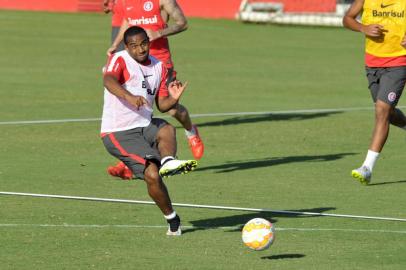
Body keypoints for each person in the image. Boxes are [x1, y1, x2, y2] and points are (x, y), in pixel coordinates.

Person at [101, 26, 197, 235]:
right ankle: (172, 219)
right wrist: (129, 97)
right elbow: (108, 80)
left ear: (149, 42)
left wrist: (174, 97)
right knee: (152, 175)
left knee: (166, 128)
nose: (140, 49)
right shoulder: (120, 59)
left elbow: (162, 105)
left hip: (144, 126)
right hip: (118, 132)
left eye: (143, 43)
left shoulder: (159, 67)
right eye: (133, 46)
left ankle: (169, 162)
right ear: (127, 47)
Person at [106, 0, 204, 169]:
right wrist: (115, 44)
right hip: (134, 63)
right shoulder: (127, 2)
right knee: (135, 104)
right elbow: (129, 22)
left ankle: (191, 132)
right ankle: (136, 157)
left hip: (160, 62)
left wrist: (158, 33)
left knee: (171, 108)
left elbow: (182, 23)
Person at [343, 0, 406, 184]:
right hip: (372, 64)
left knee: (381, 110)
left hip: (399, 63)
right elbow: (347, 18)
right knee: (388, 114)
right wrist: (363, 28)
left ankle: (367, 167)